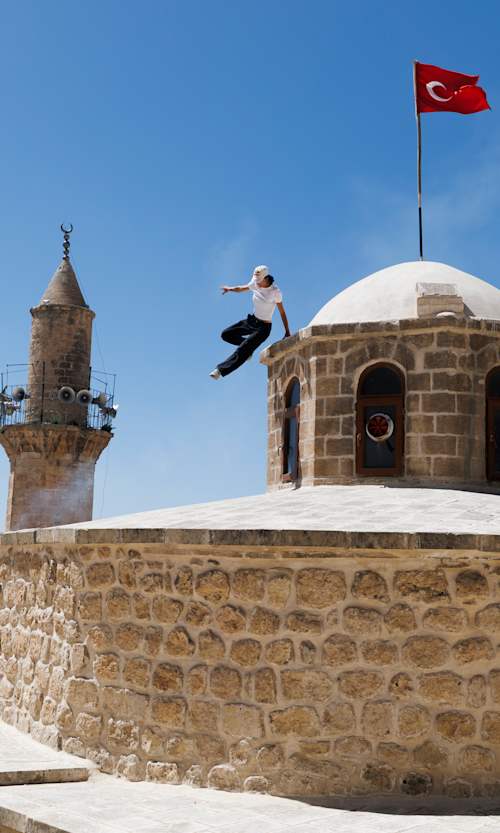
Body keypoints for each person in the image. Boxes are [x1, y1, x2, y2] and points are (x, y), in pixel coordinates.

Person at [210, 265, 290, 379]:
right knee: (226, 334)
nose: (256, 283)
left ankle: (220, 370)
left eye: (259, 281)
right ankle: (249, 350)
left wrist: (287, 331)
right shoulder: (254, 282)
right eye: (255, 280)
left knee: (242, 350)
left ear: (266, 278)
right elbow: (243, 288)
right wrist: (230, 289)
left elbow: (282, 312)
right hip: (251, 321)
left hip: (263, 328)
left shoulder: (275, 292)